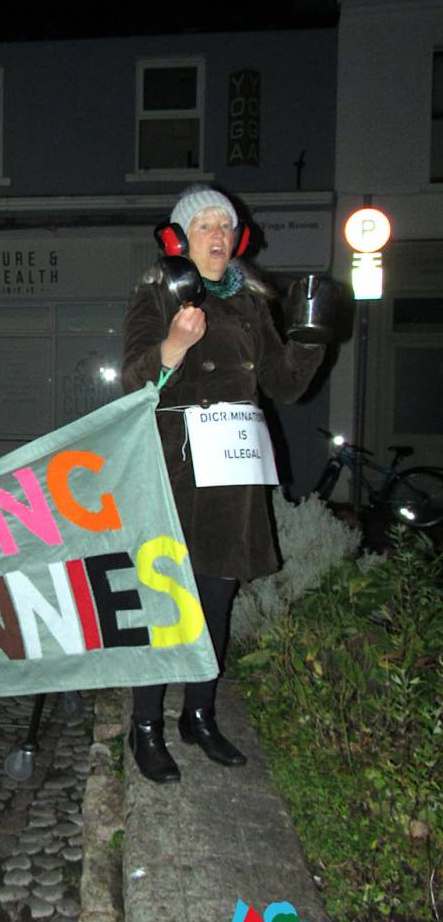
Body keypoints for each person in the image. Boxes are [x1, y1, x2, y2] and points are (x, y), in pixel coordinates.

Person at [121, 188, 324, 783]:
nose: (217, 233)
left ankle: (200, 714)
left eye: (225, 225)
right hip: (177, 466)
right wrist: (174, 346)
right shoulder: (158, 292)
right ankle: (147, 724)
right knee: (165, 601)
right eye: (203, 224)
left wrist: (310, 340)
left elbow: (285, 386)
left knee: (215, 601)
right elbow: (135, 381)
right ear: (180, 238)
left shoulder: (253, 300)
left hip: (234, 468)